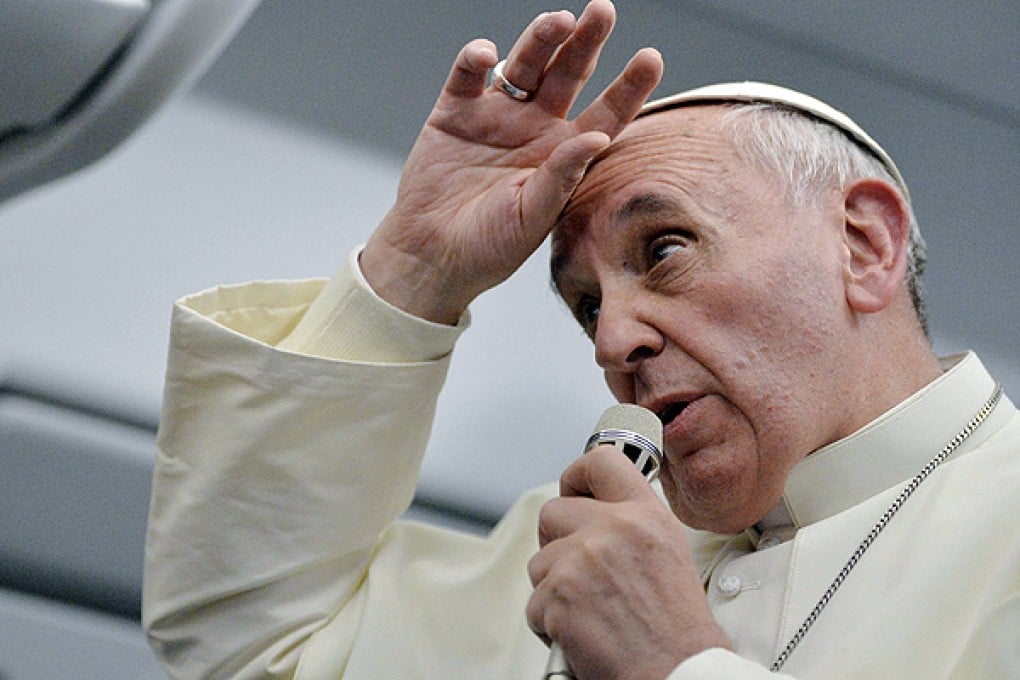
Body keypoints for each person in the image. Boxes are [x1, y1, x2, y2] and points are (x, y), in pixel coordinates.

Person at [142, 1, 1019, 677]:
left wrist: (674, 664)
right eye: (586, 305)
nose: (613, 341)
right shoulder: (575, 546)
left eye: (665, 249)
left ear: (863, 245)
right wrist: (415, 269)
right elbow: (253, 642)